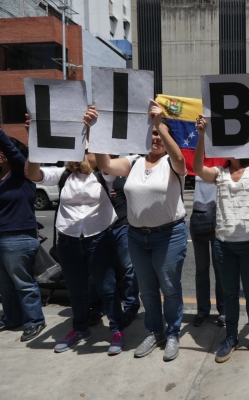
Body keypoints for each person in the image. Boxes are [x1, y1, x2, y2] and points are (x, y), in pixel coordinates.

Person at [94, 101, 188, 362]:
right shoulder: (133, 161)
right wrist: (96, 131)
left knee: (169, 287)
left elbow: (180, 158)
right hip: (137, 236)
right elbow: (105, 165)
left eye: (160, 133)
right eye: (153, 133)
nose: (156, 137)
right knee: (146, 289)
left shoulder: (173, 162)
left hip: (169, 235)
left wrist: (160, 123)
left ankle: (172, 333)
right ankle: (155, 331)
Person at [25, 132, 124, 355]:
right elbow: (32, 173)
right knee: (75, 290)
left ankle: (116, 330)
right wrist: (35, 140)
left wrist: (92, 131)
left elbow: (105, 162)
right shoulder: (62, 175)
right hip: (68, 241)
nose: (92, 155)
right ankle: (80, 328)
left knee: (107, 288)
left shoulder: (103, 176)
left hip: (98, 238)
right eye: (87, 151)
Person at [193, 112, 249, 364]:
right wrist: (200, 137)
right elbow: (196, 168)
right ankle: (231, 337)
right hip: (224, 245)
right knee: (229, 295)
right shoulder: (219, 173)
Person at [0, 97, 46, 342]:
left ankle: (34, 320)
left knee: (23, 283)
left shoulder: (23, 171)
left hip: (18, 236)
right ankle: (11, 318)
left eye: (0, 149)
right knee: (4, 284)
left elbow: (8, 145)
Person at [88, 168, 141, 328]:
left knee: (128, 269)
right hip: (98, 228)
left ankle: (131, 307)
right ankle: (97, 308)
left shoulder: (124, 170)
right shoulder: (92, 175)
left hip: (122, 227)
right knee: (96, 272)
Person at [190, 175, 225, 328]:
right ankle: (203, 310)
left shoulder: (223, 161)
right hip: (199, 215)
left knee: (220, 268)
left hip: (220, 216)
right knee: (202, 269)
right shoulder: (195, 161)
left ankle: (223, 310)